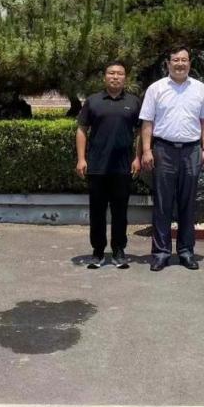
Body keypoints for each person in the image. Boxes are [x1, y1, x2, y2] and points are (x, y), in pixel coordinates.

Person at [140, 45, 204, 271]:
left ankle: (186, 251)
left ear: (189, 63)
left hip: (191, 150)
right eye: (176, 60)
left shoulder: (200, 89)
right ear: (168, 63)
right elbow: (147, 122)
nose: (180, 64)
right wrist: (146, 150)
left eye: (184, 60)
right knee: (162, 203)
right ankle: (161, 253)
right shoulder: (156, 88)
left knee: (188, 203)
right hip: (164, 149)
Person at [76, 61, 141, 269]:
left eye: (119, 74)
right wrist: (81, 159)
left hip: (123, 167)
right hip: (97, 166)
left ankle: (119, 250)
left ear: (125, 78)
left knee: (120, 212)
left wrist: (137, 157)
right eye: (111, 73)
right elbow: (82, 129)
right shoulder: (93, 101)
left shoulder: (133, 102)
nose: (115, 77)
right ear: (105, 77)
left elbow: (141, 132)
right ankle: (98, 251)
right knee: (97, 212)